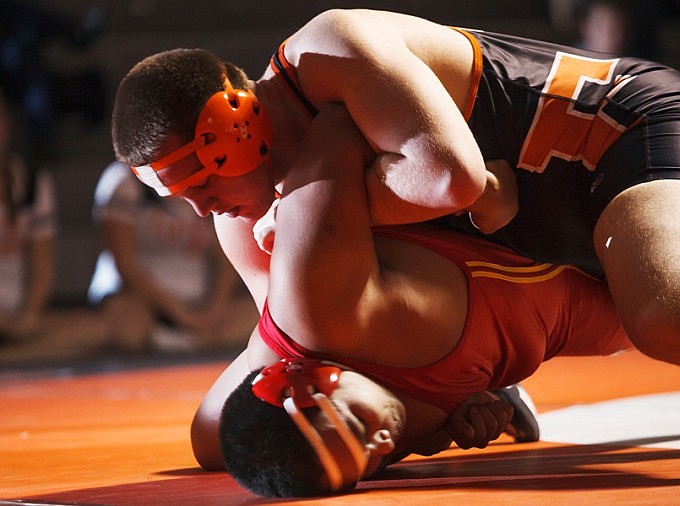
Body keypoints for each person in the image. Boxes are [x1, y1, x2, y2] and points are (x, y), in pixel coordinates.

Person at [111, 9, 680, 387]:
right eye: (180, 197)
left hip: (616, 132)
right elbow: (301, 347)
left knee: (673, 317)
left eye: (203, 182)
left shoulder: (328, 50)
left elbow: (452, 180)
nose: (202, 210)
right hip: (559, 225)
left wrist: (307, 210)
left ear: (234, 122)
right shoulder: (246, 221)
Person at [209, 102, 631, 497]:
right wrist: (443, 419)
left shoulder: (317, 304)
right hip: (482, 317)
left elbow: (339, 119)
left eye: (357, 427)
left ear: (306, 377)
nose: (382, 441)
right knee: (212, 442)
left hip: (506, 222)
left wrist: (300, 211)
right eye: (370, 460)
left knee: (653, 322)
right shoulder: (334, 427)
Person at [87, 160, 257, 353]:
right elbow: (123, 265)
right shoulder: (123, 180)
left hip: (199, 303)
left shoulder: (208, 177)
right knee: (126, 327)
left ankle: (192, 342)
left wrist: (216, 307)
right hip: (142, 303)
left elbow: (227, 256)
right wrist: (180, 314)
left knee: (260, 318)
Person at [0, 88, 57, 343]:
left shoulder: (31, 179)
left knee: (105, 327)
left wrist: (29, 315)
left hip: (15, 316)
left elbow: (42, 267)